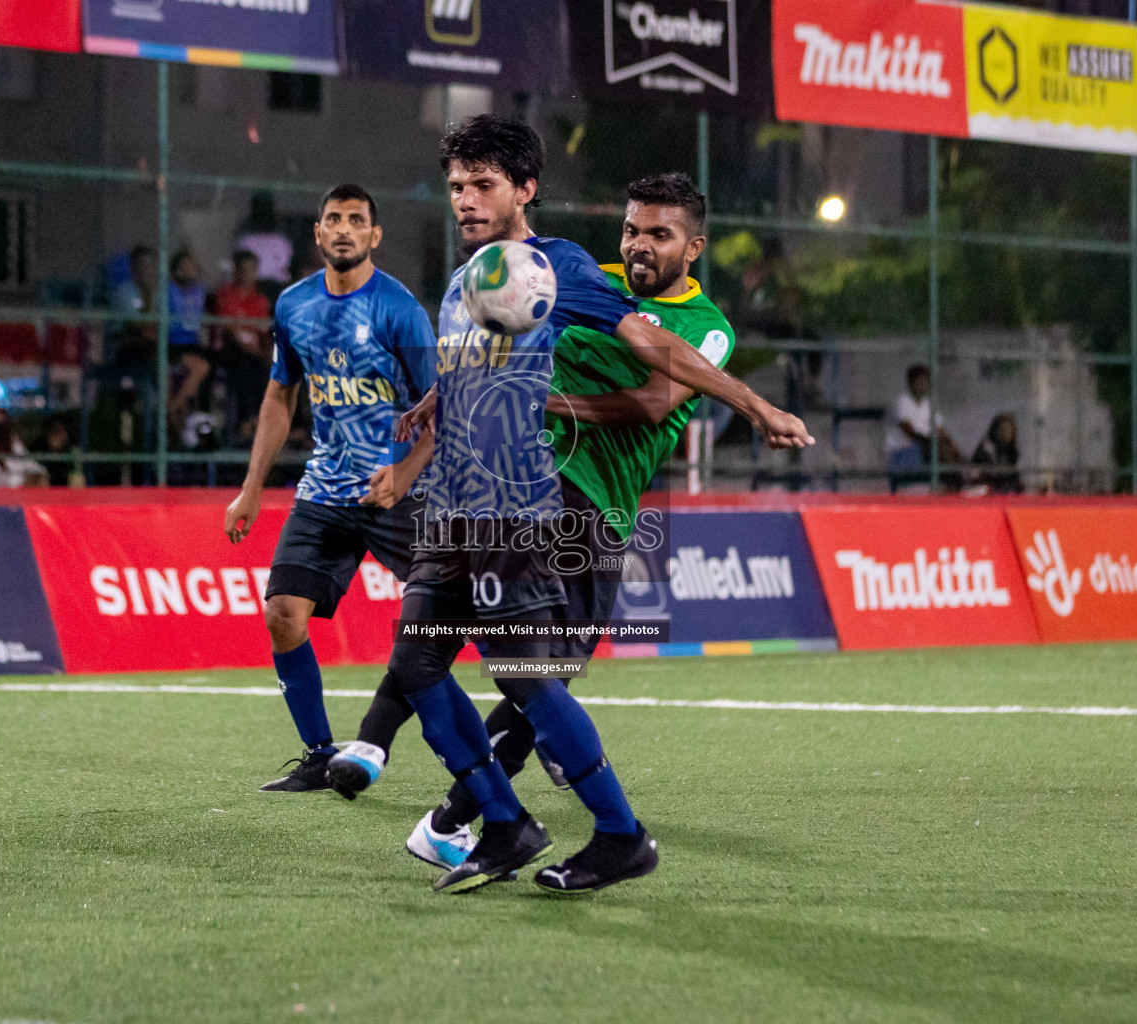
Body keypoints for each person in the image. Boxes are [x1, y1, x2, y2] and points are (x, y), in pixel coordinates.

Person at [327, 115, 810, 896]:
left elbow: (655, 382)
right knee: (422, 658)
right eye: (456, 186)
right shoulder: (482, 279)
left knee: (527, 676)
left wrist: (754, 405)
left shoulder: (566, 271)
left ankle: (603, 832)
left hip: (567, 502)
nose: (466, 200)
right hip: (475, 489)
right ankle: (497, 820)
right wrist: (432, 412)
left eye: (483, 184)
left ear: (524, 190)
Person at [406, 172, 742, 888]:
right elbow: (508, 333)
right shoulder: (585, 277)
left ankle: (488, 820)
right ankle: (482, 821)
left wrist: (546, 403)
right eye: (631, 230)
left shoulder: (706, 324)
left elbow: (655, 403)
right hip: (528, 487)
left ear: (695, 246)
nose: (640, 246)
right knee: (489, 659)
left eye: (660, 234)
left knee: (532, 673)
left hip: (596, 511)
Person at [222, 183, 442, 794]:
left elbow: (442, 406)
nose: (344, 229)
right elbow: (279, 394)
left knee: (448, 617)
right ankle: (321, 755)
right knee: (283, 616)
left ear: (374, 236)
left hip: (398, 490)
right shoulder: (292, 305)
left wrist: (405, 472)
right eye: (333, 220)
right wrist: (251, 488)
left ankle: (520, 720)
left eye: (357, 221)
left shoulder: (400, 309)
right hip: (324, 490)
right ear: (317, 235)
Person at [215, 249, 273, 439]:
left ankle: (266, 421)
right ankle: (247, 421)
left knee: (270, 368)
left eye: (251, 269)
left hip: (254, 354)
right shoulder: (226, 295)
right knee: (244, 366)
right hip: (230, 351)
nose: (247, 274)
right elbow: (229, 331)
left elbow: (263, 332)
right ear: (236, 271)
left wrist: (266, 352)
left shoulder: (260, 300)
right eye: (243, 269)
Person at [886, 364, 961, 491]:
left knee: (950, 450)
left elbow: (940, 429)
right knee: (939, 449)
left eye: (926, 382)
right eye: (919, 382)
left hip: (929, 448)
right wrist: (930, 442)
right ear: (910, 383)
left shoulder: (929, 404)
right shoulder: (902, 402)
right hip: (906, 449)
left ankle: (955, 488)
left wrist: (951, 445)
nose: (923, 385)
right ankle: (951, 486)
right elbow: (909, 431)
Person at [166, 250, 211, 428]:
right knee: (200, 367)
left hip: (193, 344)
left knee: (209, 367)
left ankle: (197, 418)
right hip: (172, 344)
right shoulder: (168, 290)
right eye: (183, 267)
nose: (187, 271)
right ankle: (174, 410)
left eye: (191, 267)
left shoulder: (199, 292)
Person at [971, 413, 1021, 494]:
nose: (1005, 433)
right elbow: (989, 473)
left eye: (1009, 430)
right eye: (1002, 429)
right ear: (995, 430)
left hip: (1005, 490)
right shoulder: (987, 447)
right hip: (983, 489)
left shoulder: (1011, 451)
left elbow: (1013, 475)